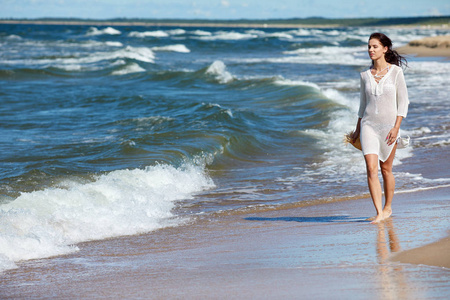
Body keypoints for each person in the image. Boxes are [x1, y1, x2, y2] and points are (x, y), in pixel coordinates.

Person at [351, 32, 409, 224]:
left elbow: (403, 102)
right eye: (369, 46)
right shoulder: (365, 76)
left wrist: (396, 127)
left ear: (385, 49)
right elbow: (362, 105)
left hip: (389, 127)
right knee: (370, 168)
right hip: (368, 125)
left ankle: (388, 207)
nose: (370, 50)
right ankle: (378, 212)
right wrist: (357, 129)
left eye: (374, 46)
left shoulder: (396, 72)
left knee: (386, 169)